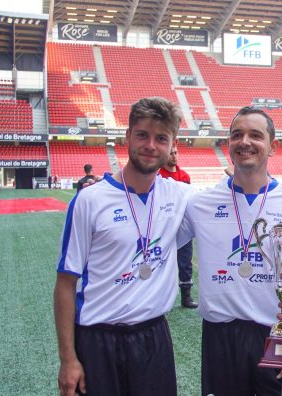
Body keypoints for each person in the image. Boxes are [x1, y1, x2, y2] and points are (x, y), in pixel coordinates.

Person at [54, 97, 192, 396]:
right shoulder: (89, 201)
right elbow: (66, 283)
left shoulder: (181, 196)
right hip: (97, 340)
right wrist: (68, 359)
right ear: (127, 136)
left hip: (153, 337)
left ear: (172, 145)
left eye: (161, 138)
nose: (150, 145)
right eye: (142, 135)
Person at [177, 107, 282, 396]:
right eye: (237, 135)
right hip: (220, 336)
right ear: (228, 144)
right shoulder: (201, 203)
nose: (244, 142)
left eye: (255, 135)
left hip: (275, 332)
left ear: (273, 147)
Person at [158, 146, 198, 309]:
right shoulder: (158, 175)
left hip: (182, 226)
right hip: (164, 227)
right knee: (159, 261)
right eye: (171, 153)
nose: (174, 156)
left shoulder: (184, 176)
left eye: (176, 153)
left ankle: (186, 296)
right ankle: (158, 298)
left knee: (185, 261)